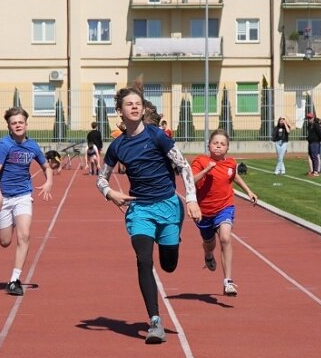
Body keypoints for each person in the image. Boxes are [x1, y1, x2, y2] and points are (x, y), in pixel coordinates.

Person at [97, 85, 201, 344]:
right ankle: (155, 320)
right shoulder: (117, 146)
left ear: (143, 109)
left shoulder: (158, 137)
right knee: (144, 259)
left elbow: (184, 166)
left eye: (138, 103)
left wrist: (191, 200)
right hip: (139, 209)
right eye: (128, 104)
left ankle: (172, 240)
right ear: (119, 111)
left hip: (167, 207)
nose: (134, 107)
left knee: (168, 264)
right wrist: (110, 193)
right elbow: (101, 178)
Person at [0, 107, 54, 296]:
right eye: (14, 123)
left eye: (20, 122)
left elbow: (46, 166)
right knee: (5, 241)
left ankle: (14, 280)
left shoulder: (32, 146)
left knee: (24, 236)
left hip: (23, 195)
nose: (18, 125)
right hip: (4, 197)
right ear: (9, 126)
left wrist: (49, 181)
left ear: (26, 124)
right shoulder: (4, 145)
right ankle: (8, 221)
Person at [191, 129, 258, 296]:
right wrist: (206, 170)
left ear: (227, 148)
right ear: (209, 145)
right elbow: (190, 180)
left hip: (224, 207)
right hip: (203, 211)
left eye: (222, 144)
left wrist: (249, 191)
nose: (218, 146)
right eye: (215, 143)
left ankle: (228, 281)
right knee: (210, 243)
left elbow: (234, 176)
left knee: (225, 238)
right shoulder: (200, 161)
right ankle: (208, 254)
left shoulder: (230, 163)